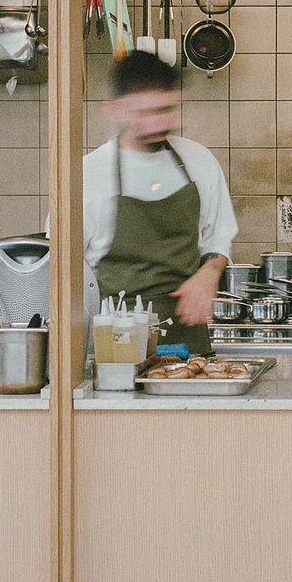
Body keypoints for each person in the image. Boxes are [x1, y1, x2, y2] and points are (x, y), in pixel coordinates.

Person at [83, 50, 239, 355]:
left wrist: (209, 274)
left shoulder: (198, 160)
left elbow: (218, 238)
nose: (158, 123)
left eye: (166, 109)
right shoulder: (88, 174)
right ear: (115, 109)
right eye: (145, 113)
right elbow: (62, 267)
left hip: (187, 340)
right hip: (116, 343)